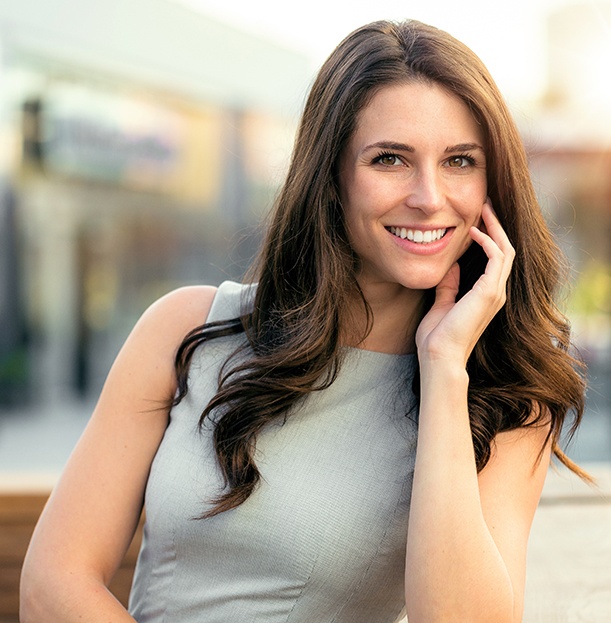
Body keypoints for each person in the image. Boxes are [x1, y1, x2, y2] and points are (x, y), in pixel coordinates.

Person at [20, 19, 588, 623]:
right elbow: (53, 583)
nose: (428, 195)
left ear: (492, 184)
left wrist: (446, 370)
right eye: (390, 159)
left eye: (459, 161)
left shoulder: (507, 402)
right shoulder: (186, 330)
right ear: (332, 174)